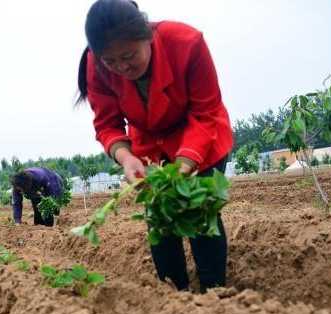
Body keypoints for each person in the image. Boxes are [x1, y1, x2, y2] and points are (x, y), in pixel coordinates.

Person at [77, 0, 233, 292]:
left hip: (202, 136)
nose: (122, 67)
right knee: (160, 220)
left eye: (129, 55)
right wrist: (126, 158)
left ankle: (215, 296)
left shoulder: (187, 43)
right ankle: (174, 294)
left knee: (200, 214)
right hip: (148, 147)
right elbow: (107, 124)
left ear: (147, 36)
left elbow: (206, 112)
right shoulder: (95, 65)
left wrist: (185, 165)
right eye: (111, 61)